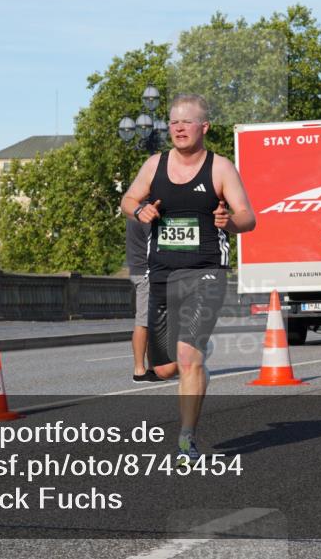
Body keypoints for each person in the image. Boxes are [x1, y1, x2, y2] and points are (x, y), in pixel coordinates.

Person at [121, 93, 255, 462]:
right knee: (165, 368)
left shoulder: (220, 168)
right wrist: (141, 209)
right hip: (163, 274)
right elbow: (128, 201)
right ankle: (197, 363)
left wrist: (231, 221)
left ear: (204, 127)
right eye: (173, 122)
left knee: (186, 357)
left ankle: (186, 440)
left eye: (187, 121)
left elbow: (249, 217)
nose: (178, 128)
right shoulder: (155, 165)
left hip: (206, 273)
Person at [125, 218, 162, 383]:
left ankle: (152, 368)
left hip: (143, 269)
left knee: (153, 322)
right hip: (147, 271)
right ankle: (140, 370)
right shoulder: (146, 213)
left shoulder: (137, 210)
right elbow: (156, 245)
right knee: (144, 322)